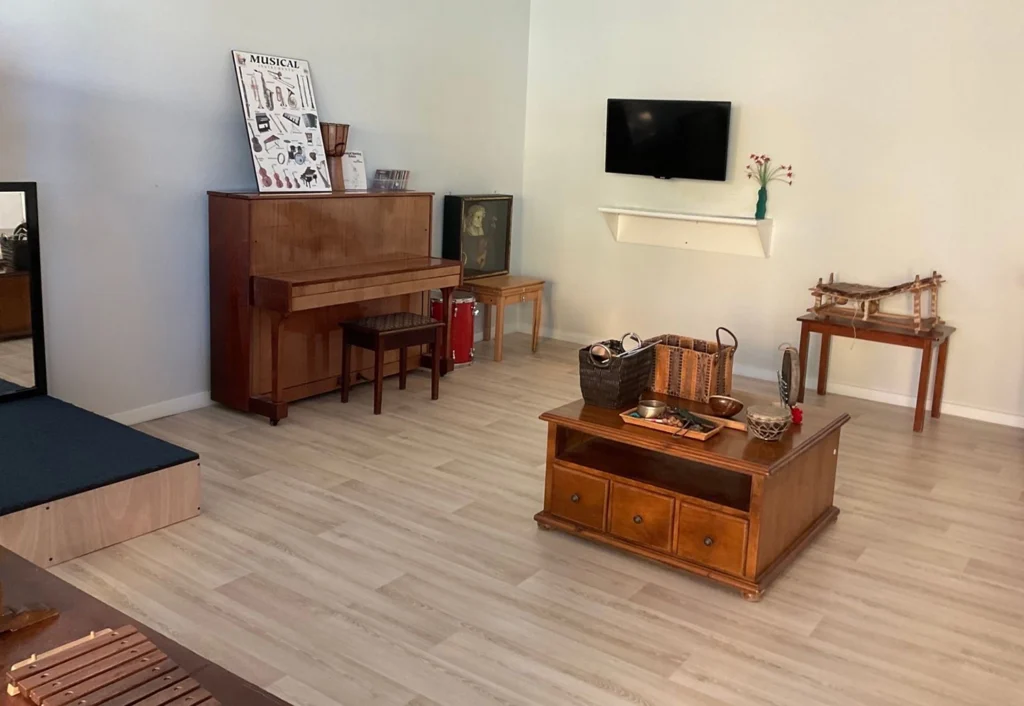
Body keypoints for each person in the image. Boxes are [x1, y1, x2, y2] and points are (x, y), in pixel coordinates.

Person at [461, 204, 489, 270]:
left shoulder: (481, 230)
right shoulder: (467, 232)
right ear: (471, 217)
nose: (480, 220)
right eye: (478, 217)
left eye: (481, 217)